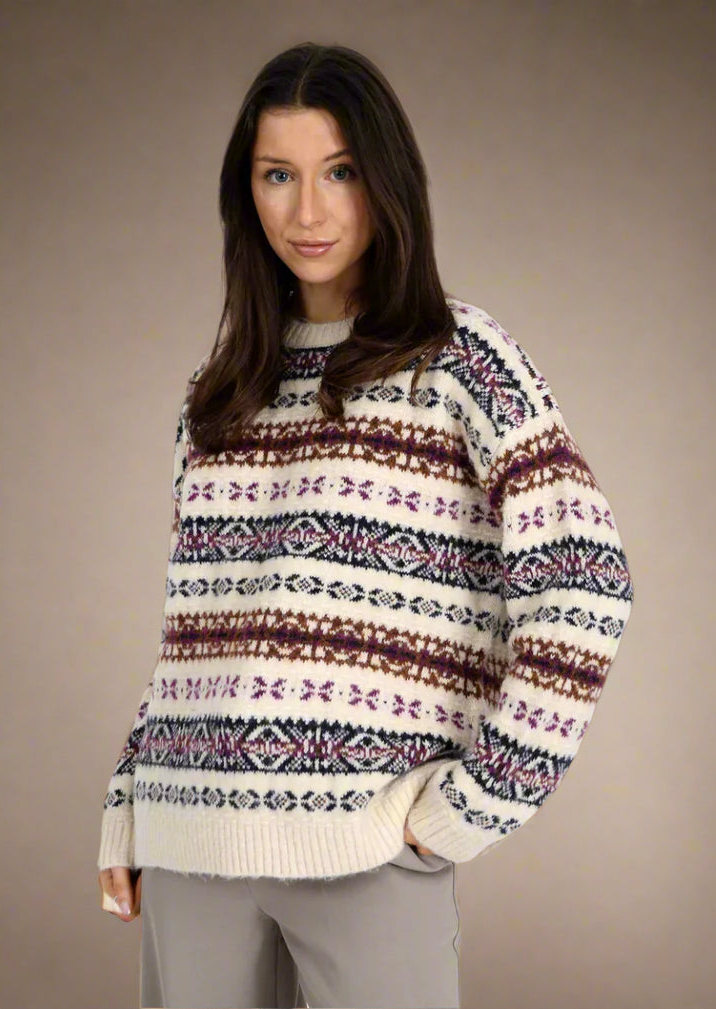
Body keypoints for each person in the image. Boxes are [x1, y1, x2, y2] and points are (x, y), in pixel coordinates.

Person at [96, 41, 634, 1009]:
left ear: (387, 180)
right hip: (187, 841)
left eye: (339, 172)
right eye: (278, 175)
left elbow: (585, 584)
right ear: (245, 194)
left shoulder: (462, 360)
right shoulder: (216, 396)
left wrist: (475, 806)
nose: (309, 212)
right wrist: (128, 798)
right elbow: (193, 634)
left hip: (368, 845)